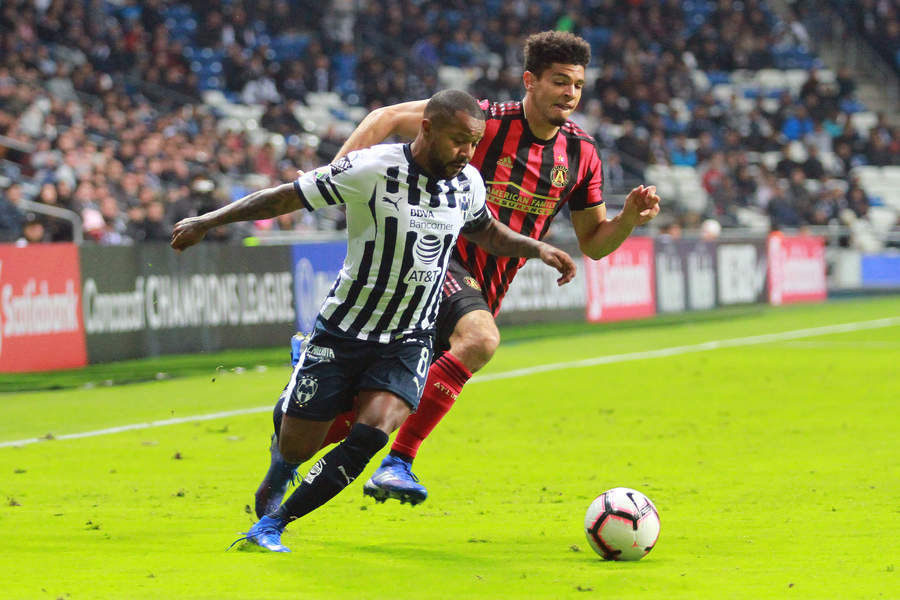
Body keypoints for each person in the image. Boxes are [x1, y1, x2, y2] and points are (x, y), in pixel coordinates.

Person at [254, 31, 662, 514]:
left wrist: (628, 220)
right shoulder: (481, 121)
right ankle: (399, 462)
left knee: (351, 420)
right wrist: (335, 175)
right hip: (436, 260)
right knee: (481, 340)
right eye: (559, 81)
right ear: (530, 81)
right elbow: (385, 118)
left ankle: (285, 454)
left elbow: (594, 243)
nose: (570, 93)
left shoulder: (582, 154)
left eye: (577, 84)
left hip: (487, 288)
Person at [171, 89, 577, 552]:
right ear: (427, 128)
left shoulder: (467, 183)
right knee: (297, 446)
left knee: (371, 434)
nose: (466, 153)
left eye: (473, 143)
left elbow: (486, 231)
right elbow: (285, 197)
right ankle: (287, 442)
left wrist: (537, 248)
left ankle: (273, 525)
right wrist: (207, 221)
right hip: (343, 330)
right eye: (458, 141)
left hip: (409, 337)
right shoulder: (371, 167)